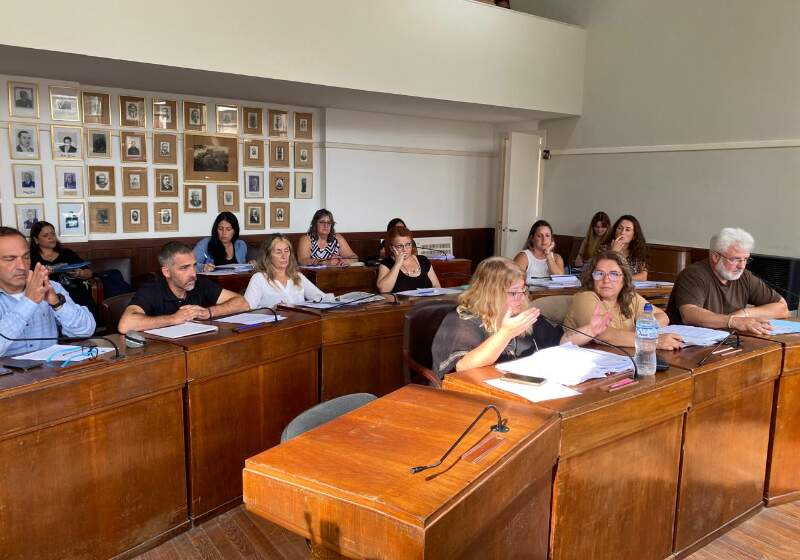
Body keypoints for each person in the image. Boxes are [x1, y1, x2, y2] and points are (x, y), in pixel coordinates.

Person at [431, 257, 611, 376]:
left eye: (523, 290)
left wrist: (590, 330)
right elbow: (463, 367)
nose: (521, 298)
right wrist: (505, 333)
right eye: (514, 292)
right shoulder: (462, 320)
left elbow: (559, 340)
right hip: (474, 398)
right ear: (491, 293)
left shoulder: (521, 312)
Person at [666, 227, 789, 334]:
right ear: (715, 257)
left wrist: (744, 314)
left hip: (725, 342)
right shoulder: (693, 275)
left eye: (746, 259)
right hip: (687, 347)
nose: (742, 266)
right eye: (736, 259)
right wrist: (733, 321)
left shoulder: (744, 276)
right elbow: (689, 314)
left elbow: (782, 308)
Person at [0, 227, 95, 357]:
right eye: (10, 259)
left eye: (26, 257)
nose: (22, 266)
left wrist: (57, 304)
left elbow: (86, 330)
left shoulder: (50, 287)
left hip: (50, 371)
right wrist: (29, 302)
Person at [118, 242, 248, 334]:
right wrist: (173, 319)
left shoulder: (200, 282)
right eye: (184, 268)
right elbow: (125, 325)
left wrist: (208, 312)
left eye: (194, 266)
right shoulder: (152, 289)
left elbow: (242, 303)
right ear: (166, 272)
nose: (193, 274)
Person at [565, 251, 683, 350]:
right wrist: (653, 341)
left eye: (614, 274)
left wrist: (644, 328)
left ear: (624, 279)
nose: (606, 280)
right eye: (599, 273)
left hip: (622, 359)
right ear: (591, 277)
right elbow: (602, 334)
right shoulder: (585, 297)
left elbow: (662, 316)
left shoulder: (629, 296)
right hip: (589, 365)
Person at [244, 234, 334, 309]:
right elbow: (247, 310)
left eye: (286, 251)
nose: (284, 256)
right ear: (268, 256)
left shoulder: (297, 276)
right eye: (278, 252)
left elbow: (321, 297)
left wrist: (343, 299)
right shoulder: (259, 278)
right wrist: (271, 309)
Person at [29, 221, 95, 314]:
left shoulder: (67, 253)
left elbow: (89, 273)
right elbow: (28, 282)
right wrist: (44, 274)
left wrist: (80, 273)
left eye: (53, 234)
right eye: (45, 235)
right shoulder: (31, 258)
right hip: (49, 299)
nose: (51, 238)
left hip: (76, 295)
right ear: (36, 240)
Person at [377, 226, 441, 293]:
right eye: (399, 246)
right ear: (392, 248)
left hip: (427, 302)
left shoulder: (423, 260)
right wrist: (397, 264)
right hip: (403, 303)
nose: (405, 249)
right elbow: (384, 290)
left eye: (408, 244)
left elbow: (437, 286)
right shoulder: (386, 263)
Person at [600, 215, 648, 281]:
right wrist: (614, 252)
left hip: (631, 288)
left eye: (627, 230)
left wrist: (623, 279)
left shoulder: (637, 250)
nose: (622, 232)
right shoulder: (603, 249)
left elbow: (643, 276)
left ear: (634, 236)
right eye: (620, 228)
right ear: (615, 231)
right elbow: (602, 272)